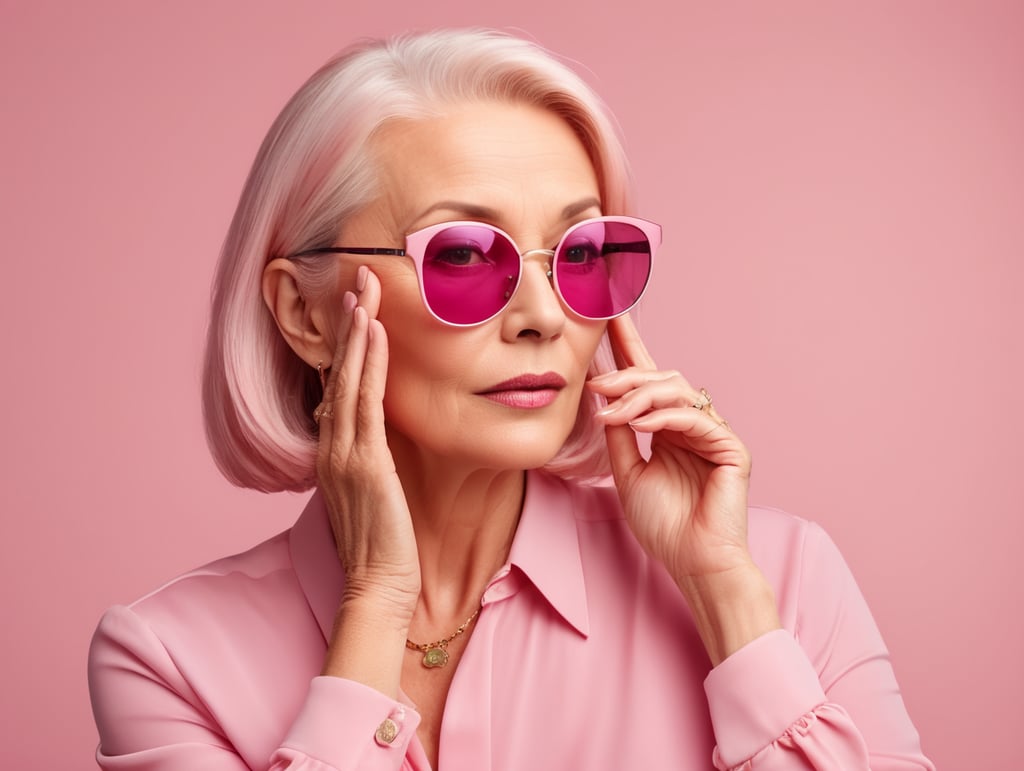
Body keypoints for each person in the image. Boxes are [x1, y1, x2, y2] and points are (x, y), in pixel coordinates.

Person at [87, 28, 934, 770]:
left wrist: (724, 595)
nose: (542, 315)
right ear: (305, 313)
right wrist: (377, 601)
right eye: (462, 255)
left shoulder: (783, 579)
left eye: (580, 250)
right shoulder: (169, 659)